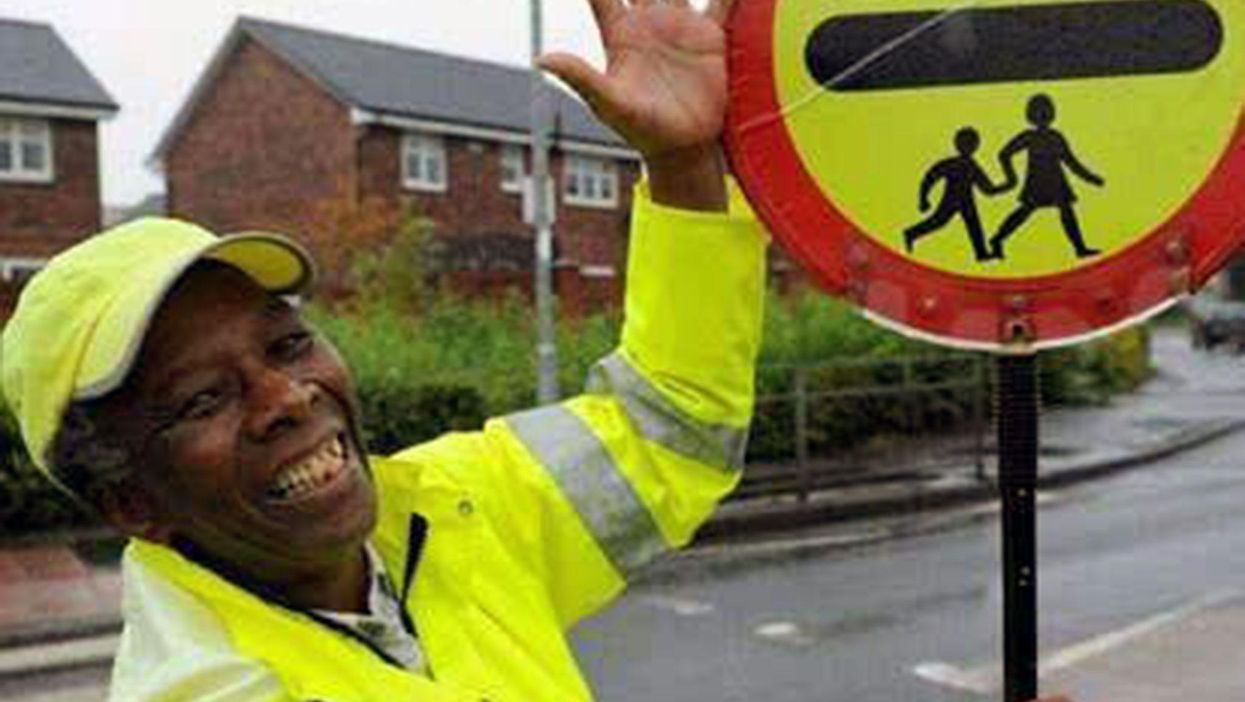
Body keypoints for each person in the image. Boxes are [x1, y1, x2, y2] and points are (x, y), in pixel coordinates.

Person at [1, 1, 1071, 699]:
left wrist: (684, 168)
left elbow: (669, 433)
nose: (286, 397)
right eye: (199, 401)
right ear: (131, 505)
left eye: (287, 343)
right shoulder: (218, 689)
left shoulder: (457, 508)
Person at [989, 93, 1105, 261]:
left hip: (1057, 181)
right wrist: (1011, 177)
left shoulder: (1056, 136)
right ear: (1031, 115)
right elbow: (1004, 154)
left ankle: (1079, 248)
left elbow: (1071, 162)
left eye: (1045, 112)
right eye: (1038, 112)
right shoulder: (1029, 136)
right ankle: (997, 239)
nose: (1042, 116)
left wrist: (1091, 178)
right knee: (1024, 212)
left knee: (1066, 211)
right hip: (1037, 182)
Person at [904, 126, 1011, 262]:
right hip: (951, 199)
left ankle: (981, 253)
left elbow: (987, 189)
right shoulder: (952, 163)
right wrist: (923, 198)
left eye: (972, 144)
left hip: (966, 200)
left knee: (974, 225)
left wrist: (1005, 187)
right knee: (938, 221)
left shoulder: (972, 165)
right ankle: (911, 233)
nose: (970, 147)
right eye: (967, 143)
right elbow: (930, 177)